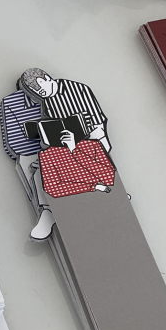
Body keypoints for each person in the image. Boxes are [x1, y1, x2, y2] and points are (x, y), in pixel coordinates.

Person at [13, 68, 114, 241]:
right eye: (37, 93)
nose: (40, 94)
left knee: (60, 167)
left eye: (40, 90)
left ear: (45, 79)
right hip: (67, 146)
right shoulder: (48, 102)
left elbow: (98, 128)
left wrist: (76, 146)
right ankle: (48, 212)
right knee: (40, 168)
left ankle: (107, 194)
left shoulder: (79, 90)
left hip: (92, 143)